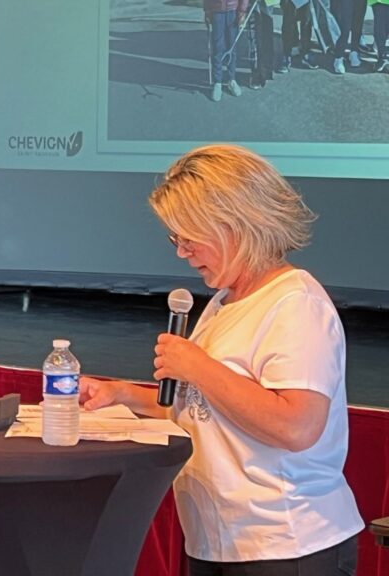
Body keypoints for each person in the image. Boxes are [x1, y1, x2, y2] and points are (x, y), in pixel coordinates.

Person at [80, 144, 363, 575]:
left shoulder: (295, 303)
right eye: (175, 238)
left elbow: (297, 426)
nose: (181, 252)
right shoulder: (224, 301)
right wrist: (122, 395)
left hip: (287, 545)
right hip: (220, 542)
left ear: (234, 224)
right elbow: (206, 408)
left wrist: (198, 366)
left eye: (189, 237)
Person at [205, 0, 249, 102]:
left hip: (233, 10)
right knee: (218, 48)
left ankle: (231, 79)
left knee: (232, 47)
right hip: (216, 10)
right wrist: (207, 10)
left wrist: (242, 10)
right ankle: (218, 82)